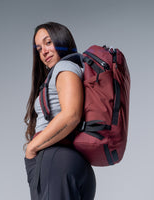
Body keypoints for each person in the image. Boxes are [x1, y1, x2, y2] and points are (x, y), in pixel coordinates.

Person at [24, 22, 96, 200]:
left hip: (56, 163)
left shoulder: (65, 68)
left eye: (48, 42)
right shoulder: (76, 69)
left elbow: (71, 115)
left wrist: (32, 147)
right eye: (39, 48)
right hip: (73, 164)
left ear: (62, 40)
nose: (44, 52)